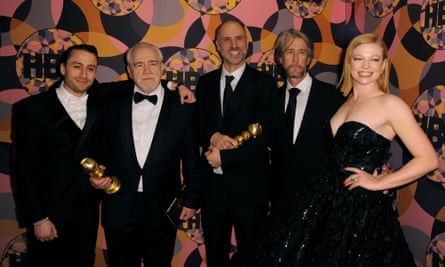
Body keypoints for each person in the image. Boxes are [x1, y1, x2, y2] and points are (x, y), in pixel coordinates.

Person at [229, 33, 438, 266]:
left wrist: (380, 182)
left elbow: (428, 159)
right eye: (359, 59)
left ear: (383, 66)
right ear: (349, 62)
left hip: (359, 211)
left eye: (374, 60)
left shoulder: (391, 104)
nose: (365, 67)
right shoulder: (346, 101)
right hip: (324, 199)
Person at [89, 42, 200, 267]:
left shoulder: (183, 106)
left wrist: (191, 199)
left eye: (152, 64)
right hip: (119, 206)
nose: (147, 71)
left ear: (162, 67)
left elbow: (191, 158)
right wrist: (97, 174)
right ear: (129, 71)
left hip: (162, 207)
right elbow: (100, 148)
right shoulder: (110, 104)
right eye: (139, 65)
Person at [11, 44, 104, 267]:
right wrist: (38, 217)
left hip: (86, 215)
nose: (84, 75)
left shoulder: (101, 103)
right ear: (63, 68)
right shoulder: (32, 108)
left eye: (91, 68)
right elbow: (24, 169)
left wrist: (174, 85)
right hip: (49, 215)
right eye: (77, 66)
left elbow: (138, 82)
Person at [195, 19, 278, 267]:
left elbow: (266, 136)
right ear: (217, 46)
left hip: (250, 189)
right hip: (213, 190)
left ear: (247, 43)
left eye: (239, 39)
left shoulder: (264, 84)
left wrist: (226, 157)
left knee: (252, 258)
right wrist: (213, 136)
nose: (234, 45)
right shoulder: (205, 83)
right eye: (227, 40)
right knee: (216, 257)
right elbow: (198, 125)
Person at [269, 29, 345, 208]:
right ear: (280, 58)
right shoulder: (271, 100)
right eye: (289, 52)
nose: (296, 59)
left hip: (320, 199)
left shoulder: (332, 98)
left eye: (301, 52)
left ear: (309, 59)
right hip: (282, 199)